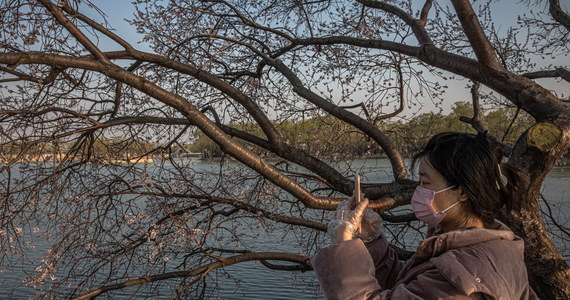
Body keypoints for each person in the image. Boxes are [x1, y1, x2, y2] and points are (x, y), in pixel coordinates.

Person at [311, 132, 538, 299]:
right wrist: (370, 242)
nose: (418, 191)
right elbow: (409, 288)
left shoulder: (465, 277)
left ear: (461, 192)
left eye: (425, 183)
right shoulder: (482, 245)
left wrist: (344, 241)